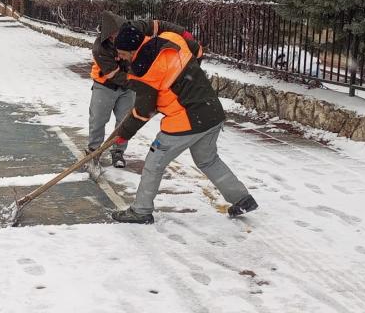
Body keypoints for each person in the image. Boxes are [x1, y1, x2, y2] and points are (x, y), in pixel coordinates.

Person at [109, 23, 258, 224]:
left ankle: (141, 210)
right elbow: (197, 50)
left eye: (121, 53)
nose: (120, 57)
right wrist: (188, 81)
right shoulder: (172, 39)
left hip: (185, 120)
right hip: (211, 111)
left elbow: (143, 111)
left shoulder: (143, 69)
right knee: (208, 160)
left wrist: (123, 134)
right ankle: (242, 199)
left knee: (154, 163)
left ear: (133, 49)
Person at [89, 12, 194, 168]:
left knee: (124, 120)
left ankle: (118, 152)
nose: (116, 38)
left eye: (118, 33)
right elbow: (114, 75)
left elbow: (159, 25)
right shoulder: (100, 48)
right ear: (107, 36)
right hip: (106, 85)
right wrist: (145, 86)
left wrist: (183, 32)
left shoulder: (135, 29)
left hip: (131, 85)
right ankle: (93, 152)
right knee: (98, 120)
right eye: (112, 36)